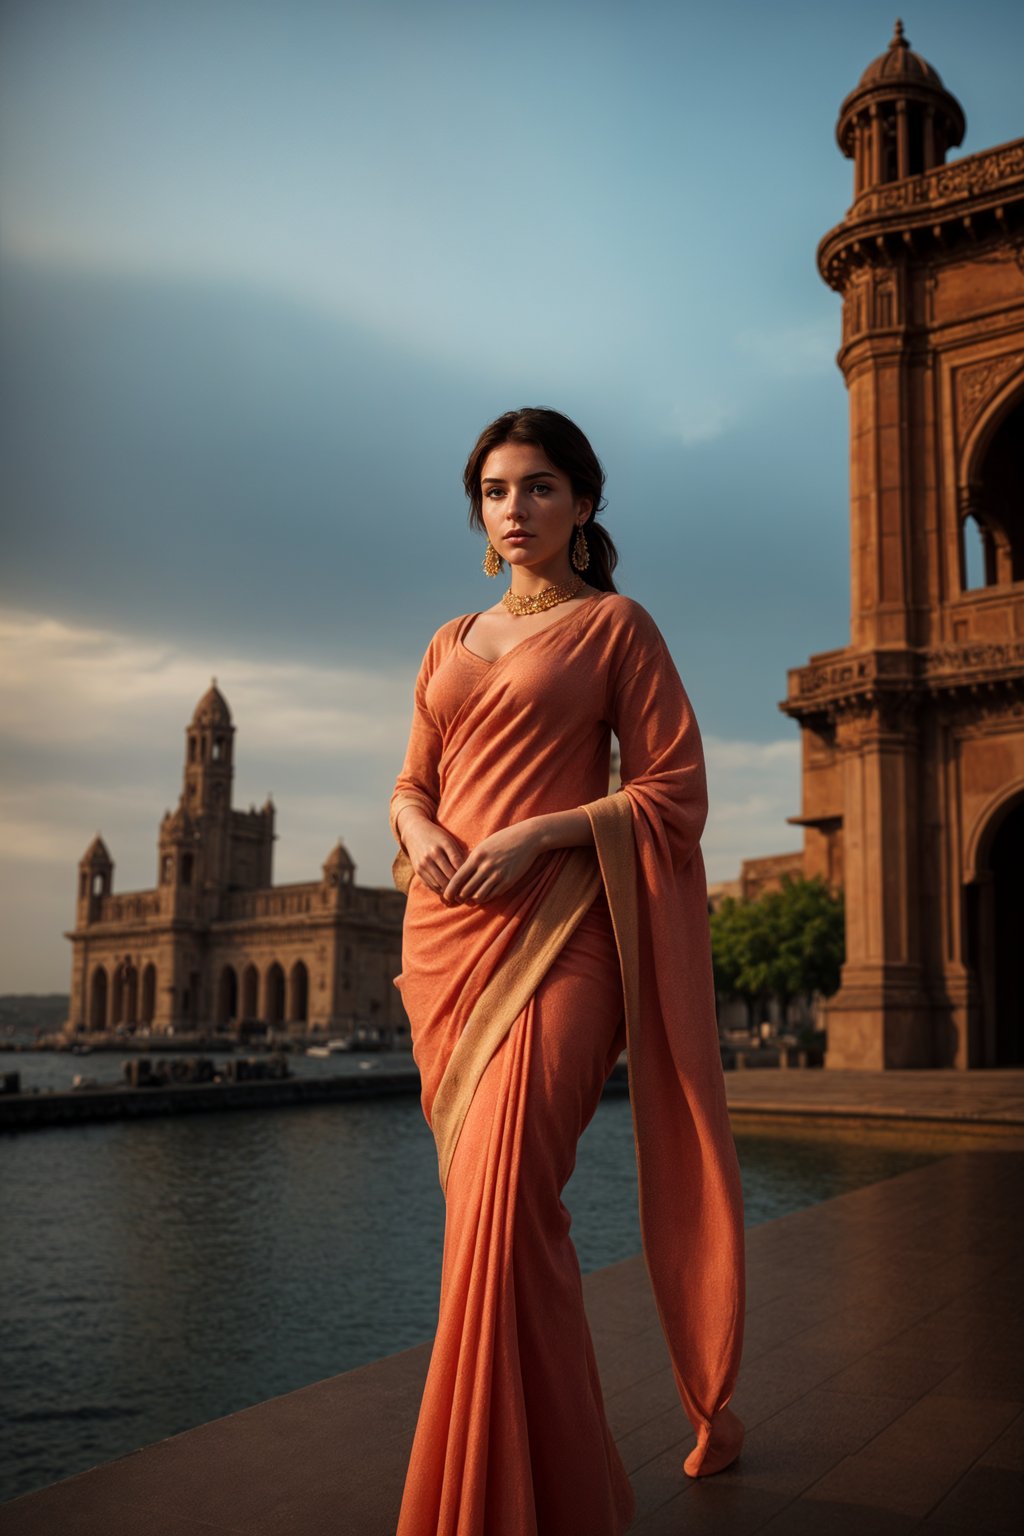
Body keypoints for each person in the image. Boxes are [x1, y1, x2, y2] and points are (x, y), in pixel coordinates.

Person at [389, 408, 745, 1536]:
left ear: (583, 506)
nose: (516, 508)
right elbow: (411, 783)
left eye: (540, 487)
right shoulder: (446, 642)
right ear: (480, 517)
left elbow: (673, 794)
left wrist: (543, 834)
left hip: (568, 939)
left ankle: (488, 1502)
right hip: (447, 951)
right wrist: (418, 825)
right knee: (500, 1222)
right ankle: (560, 1486)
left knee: (504, 1204)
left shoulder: (615, 629)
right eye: (495, 491)